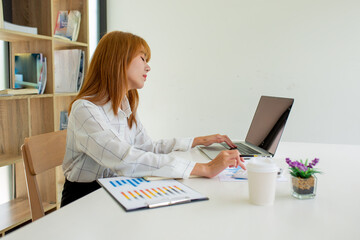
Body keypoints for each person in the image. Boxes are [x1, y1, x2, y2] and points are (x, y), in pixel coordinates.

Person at [61, 31, 245, 207]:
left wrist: (197, 141)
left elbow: (147, 148)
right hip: (85, 198)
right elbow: (125, 159)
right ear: (118, 60)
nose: (147, 67)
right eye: (142, 58)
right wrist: (204, 168)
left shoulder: (125, 107)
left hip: (113, 189)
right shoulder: (85, 110)